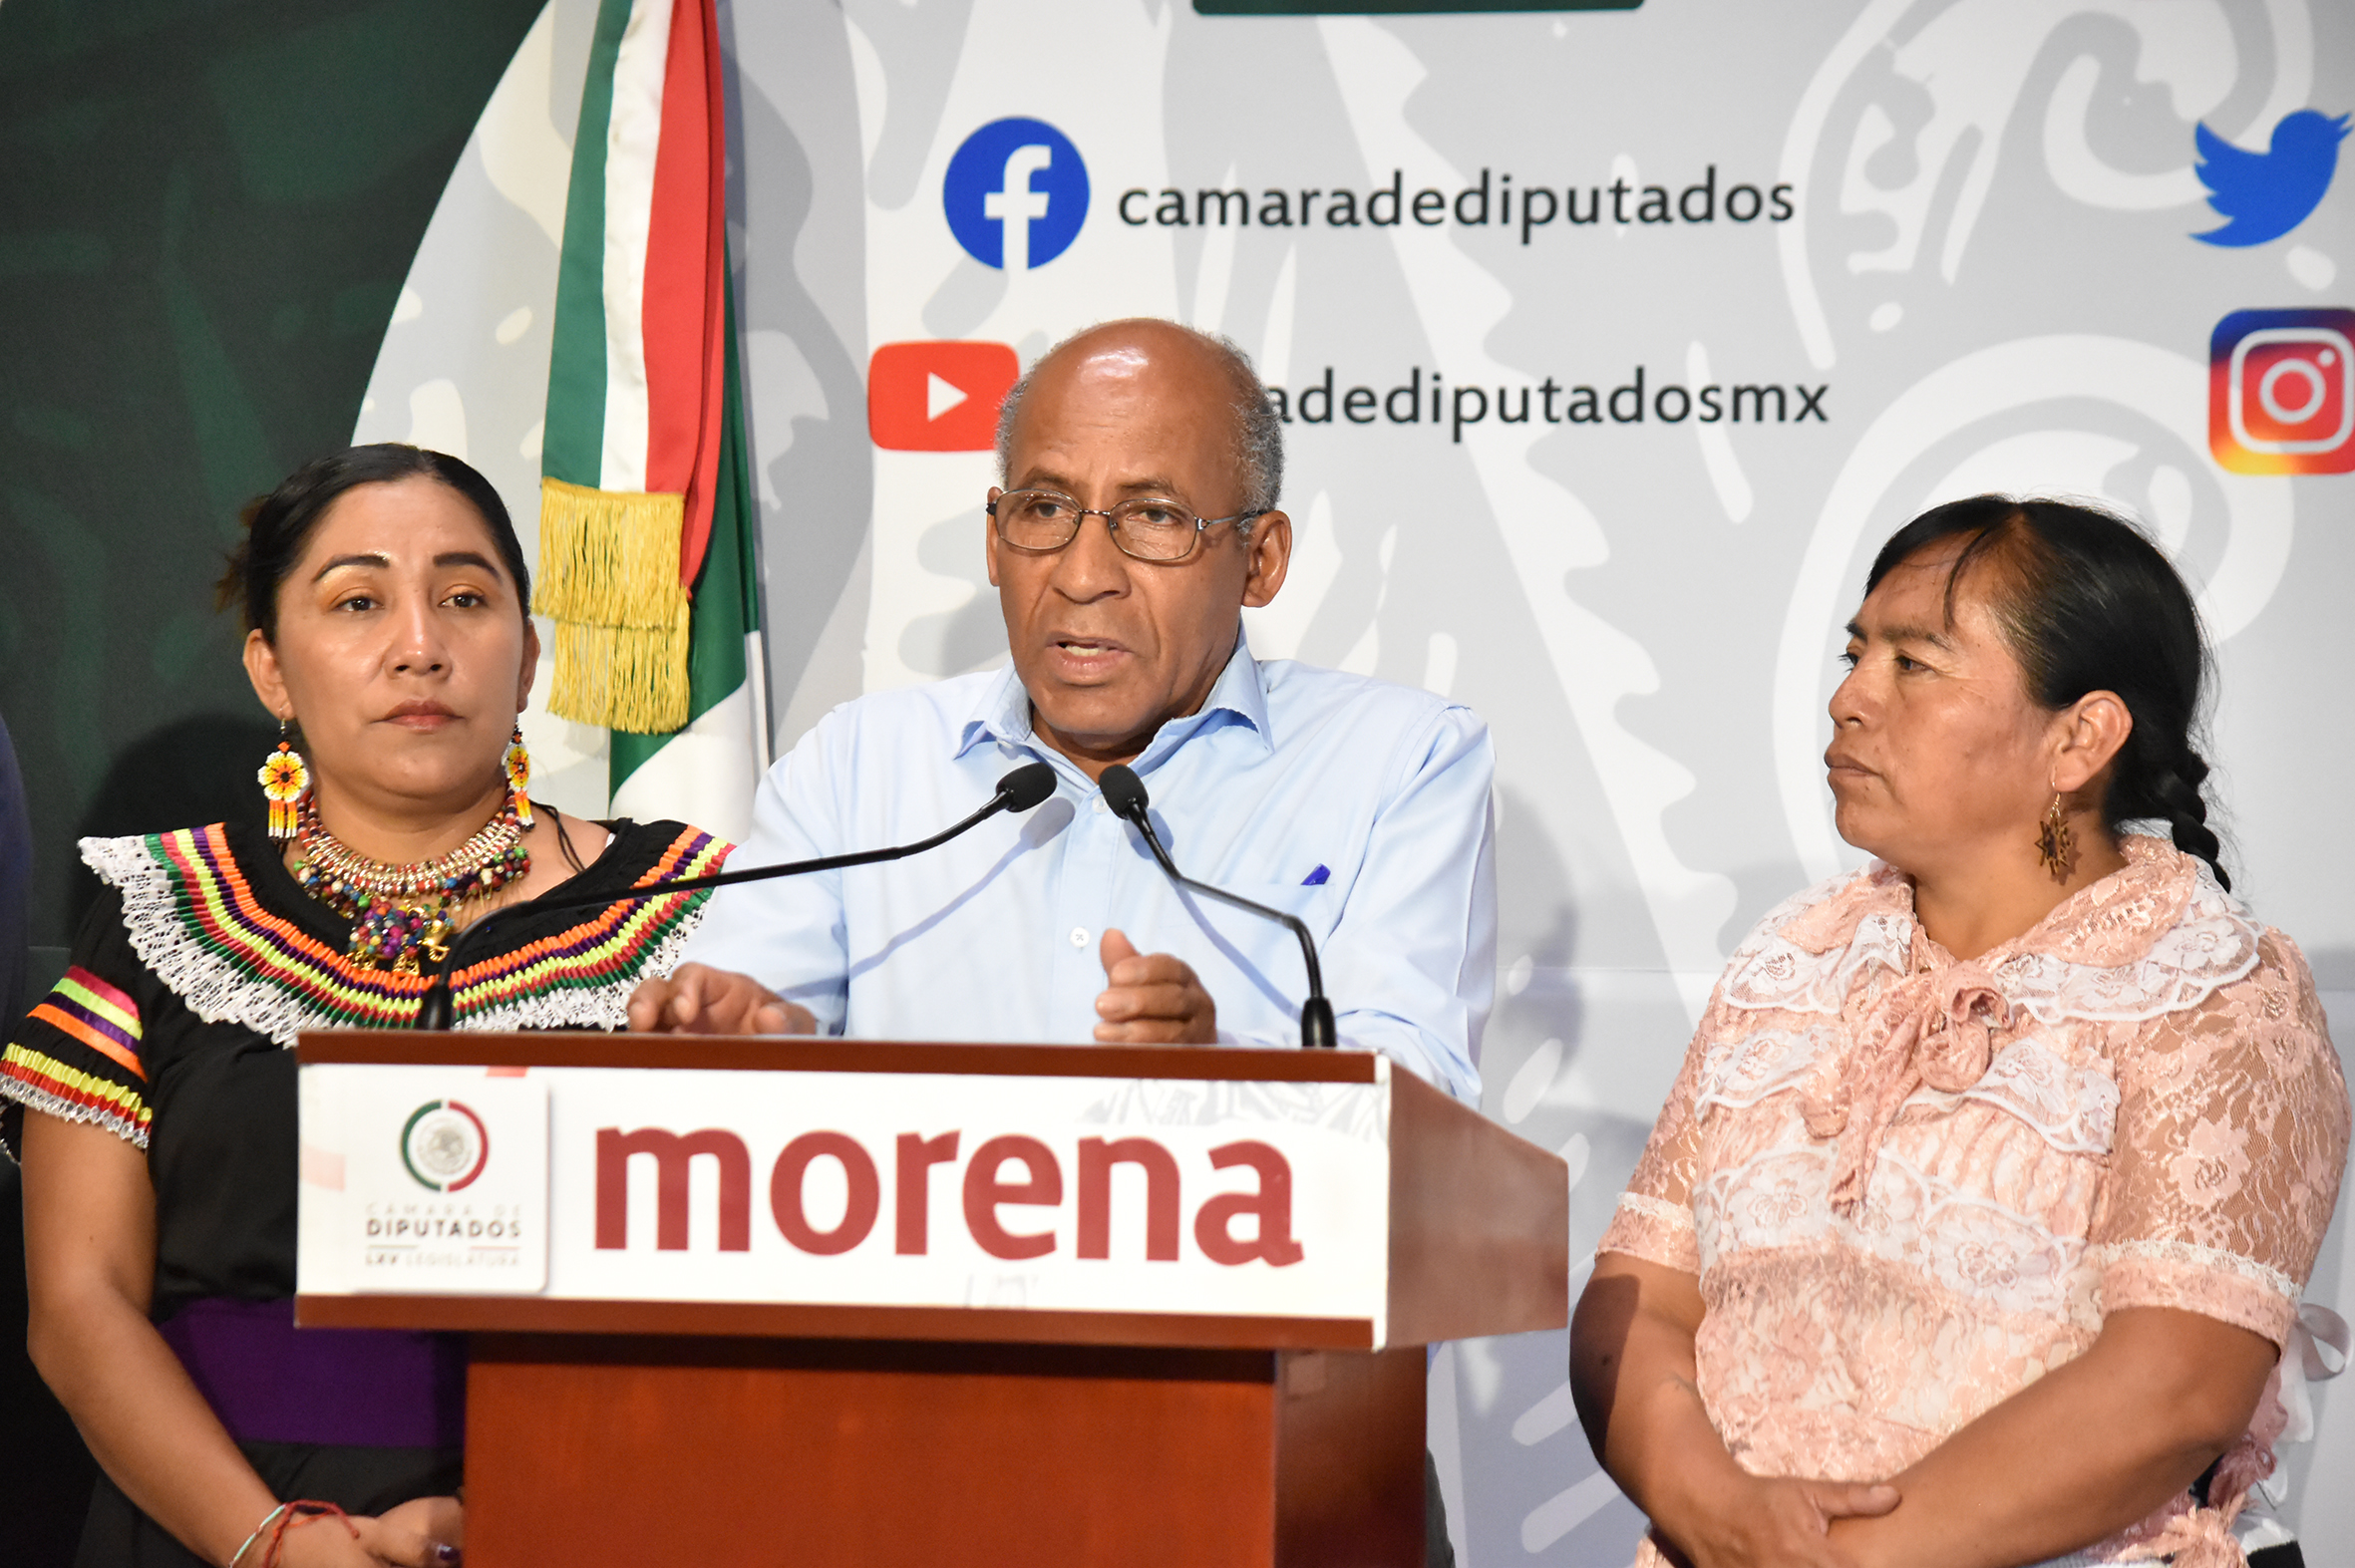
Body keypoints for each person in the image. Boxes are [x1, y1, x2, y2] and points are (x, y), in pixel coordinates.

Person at [1570, 495, 2349, 1568]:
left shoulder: (2210, 989)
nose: (1848, 698)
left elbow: (2175, 1385)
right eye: (1855, 655)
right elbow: (1642, 1300)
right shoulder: (1788, 960)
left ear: (2079, 737)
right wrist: (1713, 1511)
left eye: (1913, 664)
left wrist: (1832, 1561)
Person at [4, 445, 732, 1568]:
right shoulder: (162, 913)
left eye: (466, 598)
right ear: (271, 668)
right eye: (357, 602)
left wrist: (535, 1512)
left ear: (529, 657)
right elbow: (79, 1303)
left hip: (595, 1514)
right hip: (211, 1528)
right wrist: (274, 1544)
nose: (420, 645)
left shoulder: (691, 912)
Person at [629, 319, 1495, 1103]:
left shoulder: (1398, 764)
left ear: (1259, 560)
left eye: (1153, 517)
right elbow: (747, 1023)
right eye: (1044, 509)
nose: (1083, 576)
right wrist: (739, 1051)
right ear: (994, 541)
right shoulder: (856, 770)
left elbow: (1421, 1093)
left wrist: (1223, 1070)